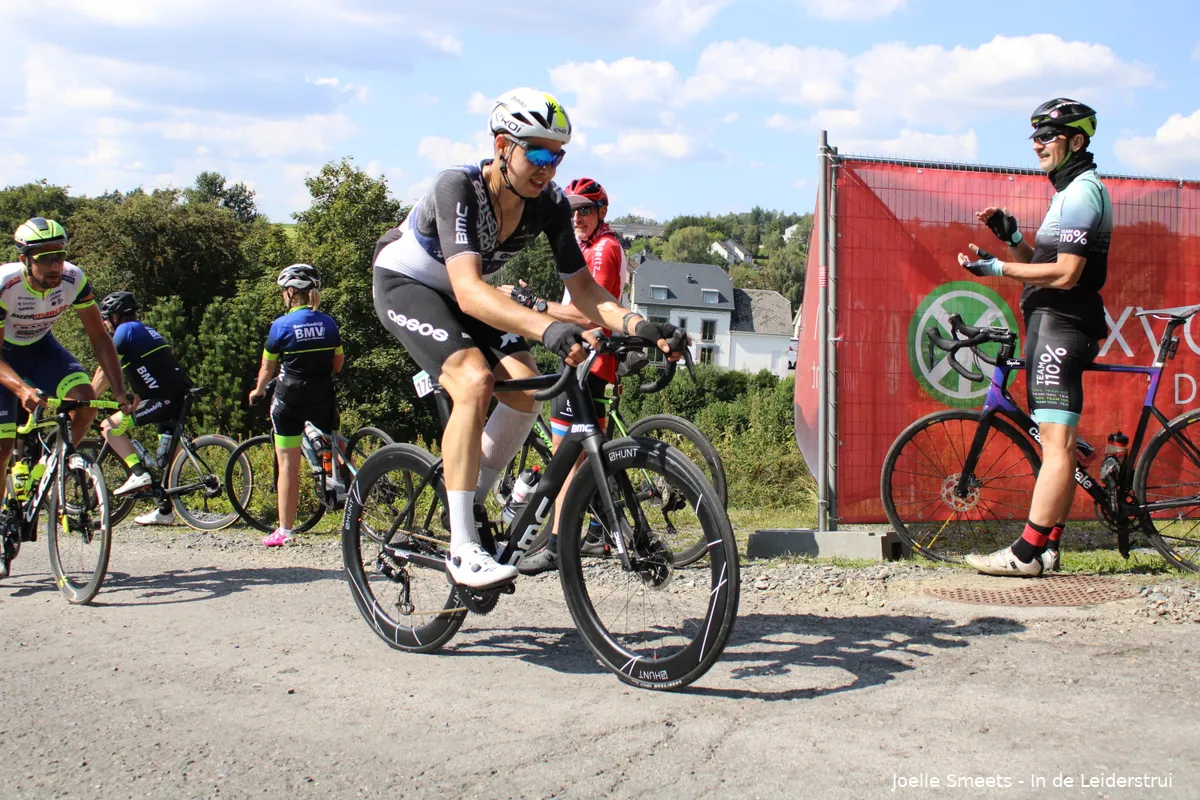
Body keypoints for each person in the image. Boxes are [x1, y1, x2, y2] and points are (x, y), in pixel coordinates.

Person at [373, 88, 686, 589]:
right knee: (474, 380)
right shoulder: (459, 186)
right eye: (537, 153)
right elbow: (471, 291)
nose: (549, 167)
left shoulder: (550, 203)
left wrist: (640, 326)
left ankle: (473, 501)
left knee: (525, 391)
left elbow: (585, 290)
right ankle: (463, 548)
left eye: (558, 155)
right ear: (503, 145)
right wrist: (548, 329)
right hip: (409, 284)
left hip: (466, 294)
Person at [957, 98, 1111, 577]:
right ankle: (1047, 548)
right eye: (1036, 136)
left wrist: (998, 268)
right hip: (1054, 324)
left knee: (1058, 445)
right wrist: (1013, 238)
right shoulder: (1068, 193)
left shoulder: (1083, 193)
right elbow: (1044, 265)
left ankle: (1025, 554)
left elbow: (1065, 274)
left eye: (1048, 135)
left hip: (1062, 326)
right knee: (1056, 445)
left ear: (1077, 141)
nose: (1038, 144)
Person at [507, 177, 629, 575]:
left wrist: (538, 306)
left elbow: (589, 312)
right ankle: (594, 530)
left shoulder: (603, 250)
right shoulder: (593, 245)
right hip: (589, 361)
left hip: (587, 363)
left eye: (586, 210)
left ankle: (559, 544)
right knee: (581, 458)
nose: (577, 217)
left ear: (602, 213)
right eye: (573, 210)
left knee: (565, 459)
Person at [0, 218, 132, 577]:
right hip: (3, 358)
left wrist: (120, 391)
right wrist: (21, 389)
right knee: (3, 443)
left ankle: (57, 463)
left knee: (85, 399)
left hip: (41, 349)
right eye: (45, 258)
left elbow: (100, 339)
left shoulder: (74, 279)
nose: (55, 266)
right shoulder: (6, 285)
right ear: (25, 259)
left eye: (59, 256)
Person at [249, 264, 343, 547]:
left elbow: (268, 368)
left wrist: (257, 390)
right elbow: (337, 364)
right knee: (332, 445)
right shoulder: (328, 322)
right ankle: (344, 490)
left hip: (289, 397)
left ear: (290, 294)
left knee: (288, 464)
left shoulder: (281, 325)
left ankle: (285, 530)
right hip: (323, 394)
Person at [90, 291, 193, 525]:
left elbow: (105, 369)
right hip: (174, 396)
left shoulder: (125, 332)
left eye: (106, 319)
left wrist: (89, 399)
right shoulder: (142, 330)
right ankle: (165, 511)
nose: (105, 325)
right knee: (164, 462)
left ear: (115, 316)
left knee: (108, 426)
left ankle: (138, 473)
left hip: (164, 399)